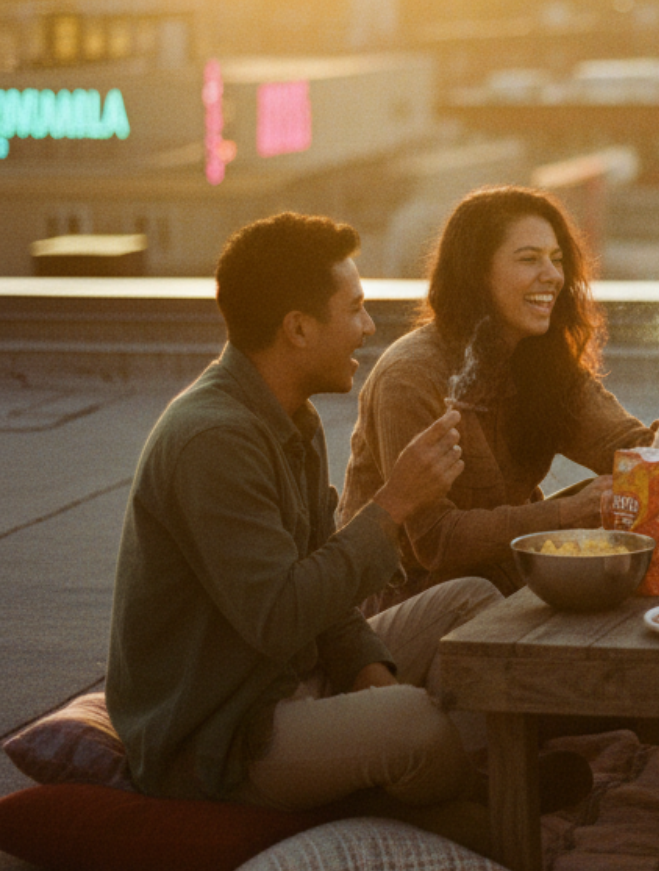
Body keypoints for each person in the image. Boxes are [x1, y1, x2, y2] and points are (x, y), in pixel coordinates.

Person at [106, 213, 502, 817]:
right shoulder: (212, 439)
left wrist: (371, 677)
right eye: (356, 310)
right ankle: (477, 813)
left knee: (472, 605)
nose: (369, 329)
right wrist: (393, 504)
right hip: (224, 730)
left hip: (292, 674)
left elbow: (326, 599)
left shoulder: (292, 417)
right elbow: (280, 615)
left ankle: (457, 783)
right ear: (297, 328)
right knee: (413, 726)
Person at [340, 186, 659, 610]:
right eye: (529, 259)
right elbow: (436, 542)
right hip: (408, 602)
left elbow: (629, 453)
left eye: (557, 259)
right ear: (476, 273)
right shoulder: (411, 375)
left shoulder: (538, 360)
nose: (553, 276)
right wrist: (567, 516)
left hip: (501, 580)